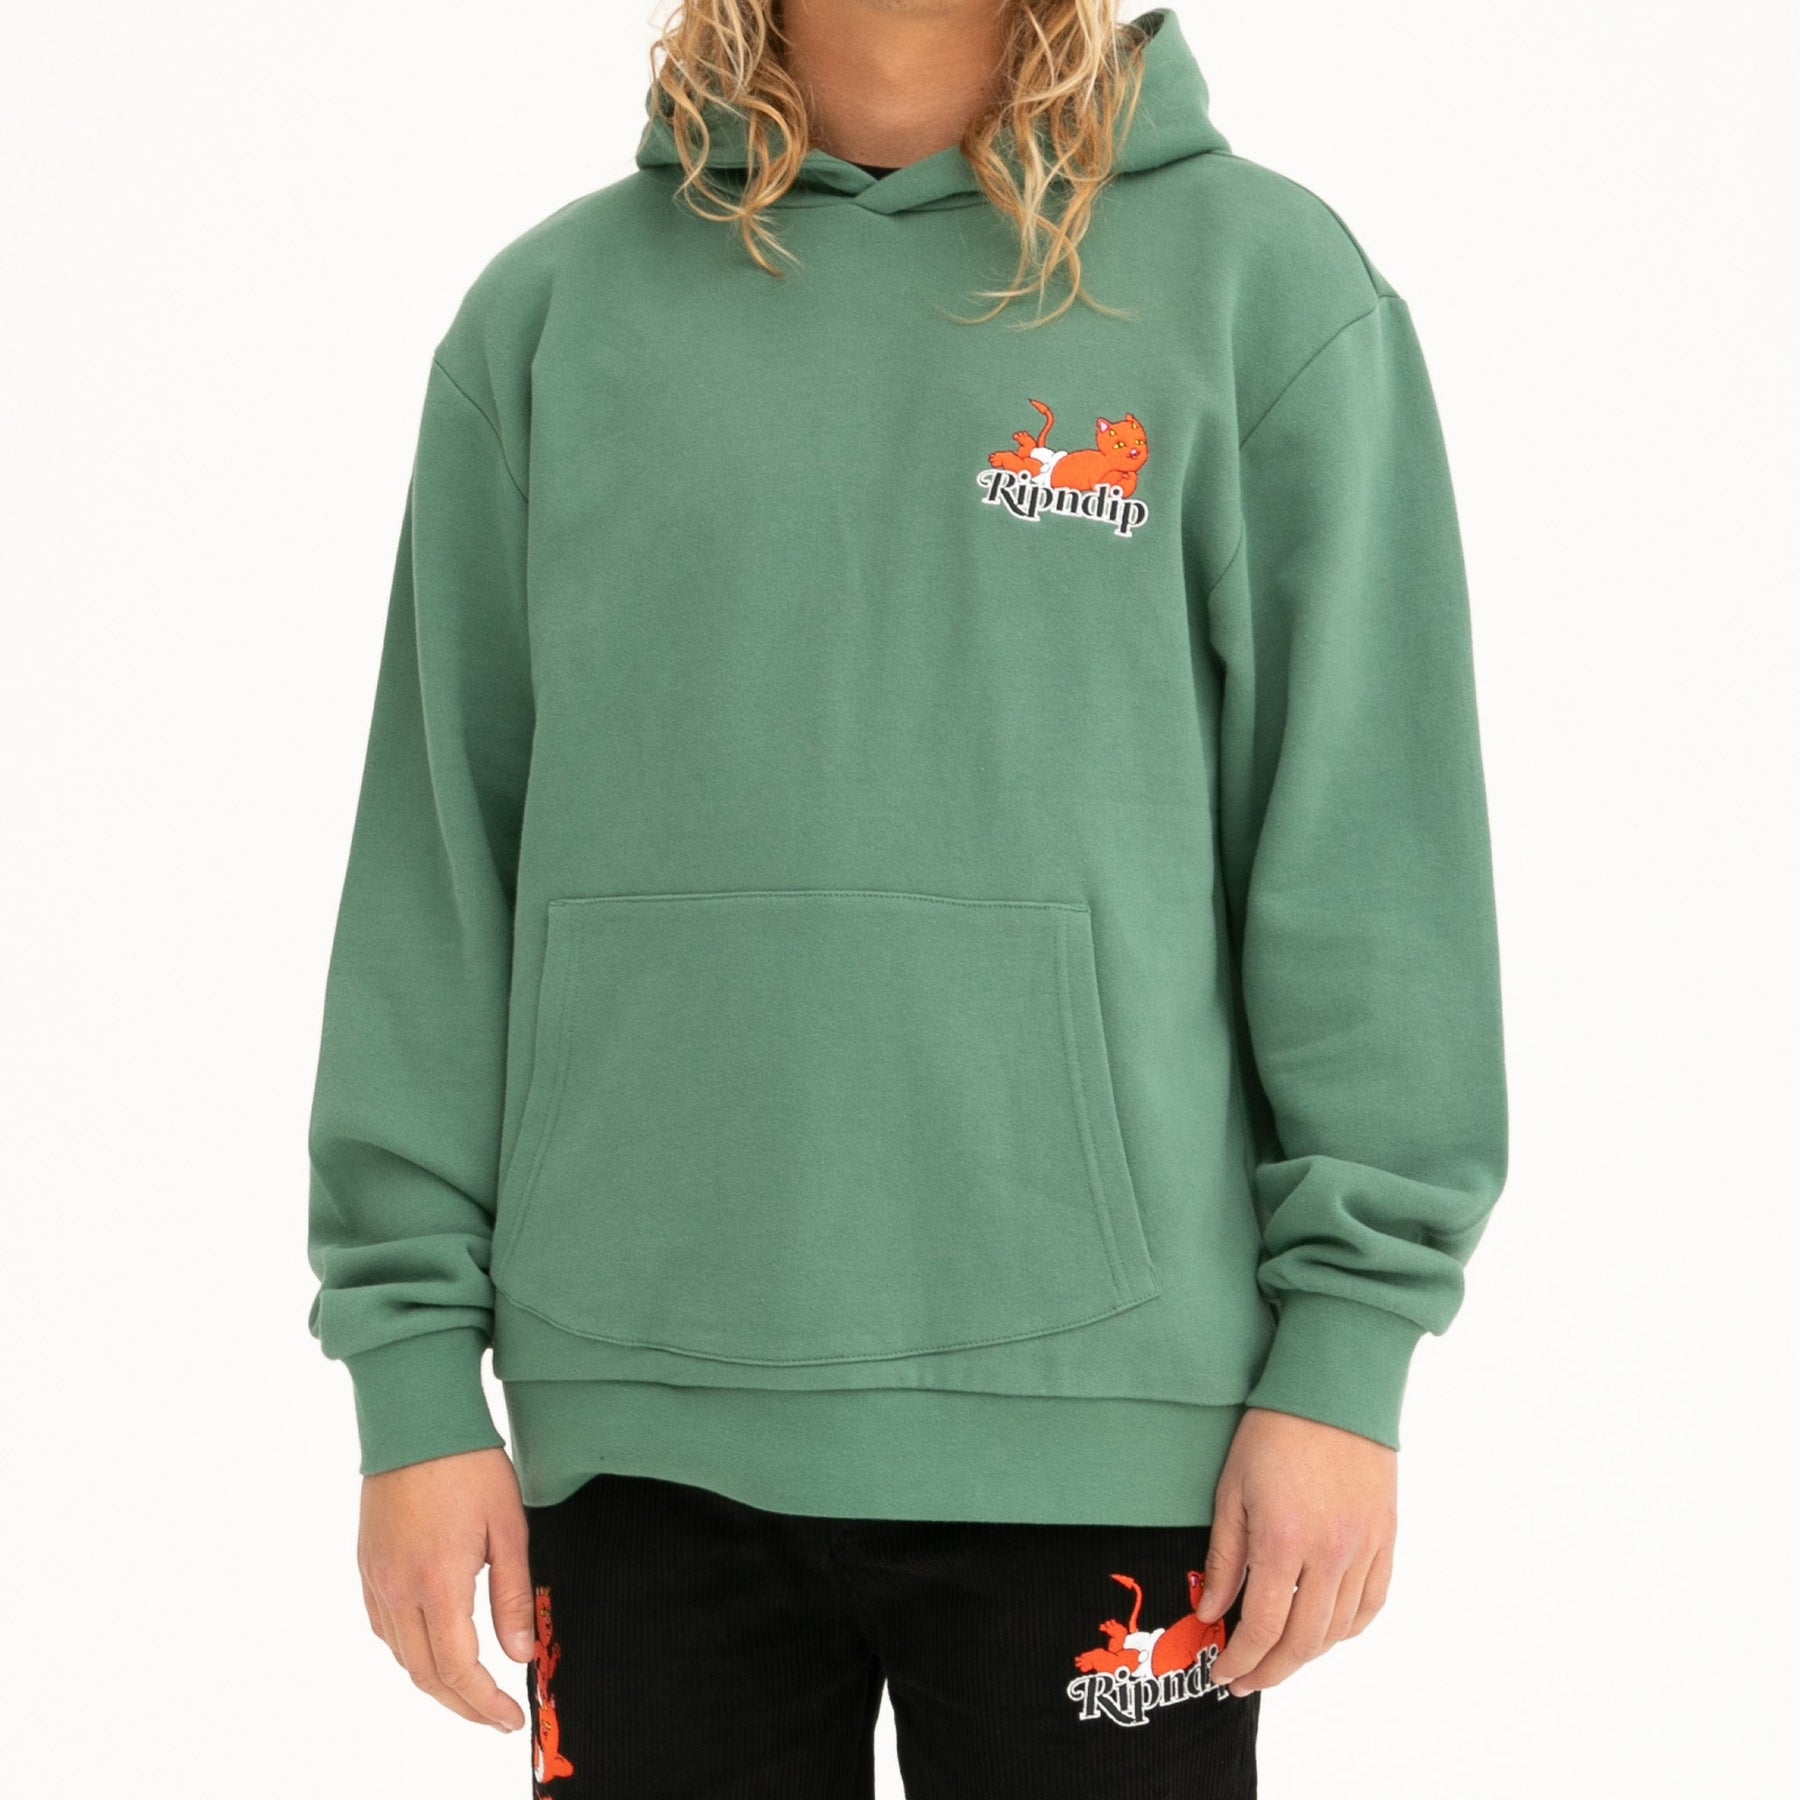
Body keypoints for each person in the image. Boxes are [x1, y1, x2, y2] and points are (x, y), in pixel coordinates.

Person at [305, 2, 1508, 1793]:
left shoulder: (1260, 289)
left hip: (1115, 1436)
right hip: (637, 1437)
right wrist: (410, 1373)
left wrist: (1349, 1350)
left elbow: (1364, 858)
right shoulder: (553, 316)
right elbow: (436, 870)